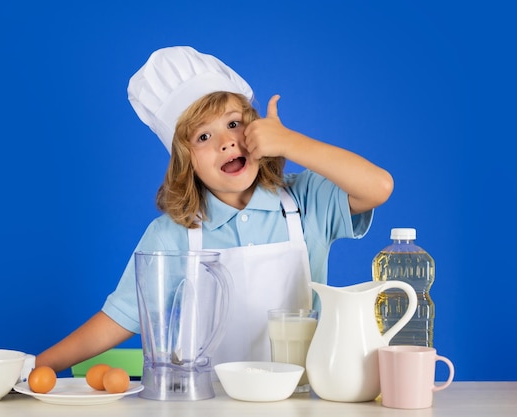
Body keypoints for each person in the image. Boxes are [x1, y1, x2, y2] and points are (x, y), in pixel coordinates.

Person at [35, 46, 394, 373]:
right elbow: (121, 317)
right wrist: (39, 366)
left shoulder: (305, 202)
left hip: (298, 400)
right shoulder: (173, 233)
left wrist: (289, 141)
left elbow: (378, 186)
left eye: (234, 124)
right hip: (207, 404)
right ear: (185, 161)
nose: (226, 142)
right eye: (203, 137)